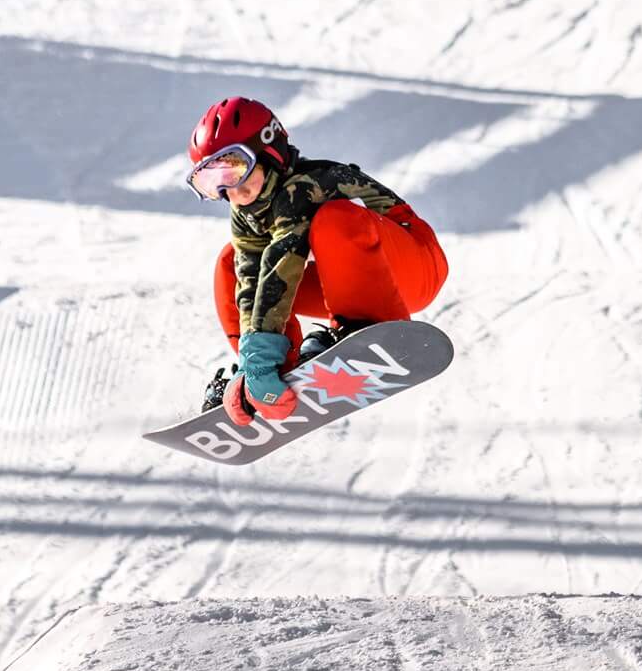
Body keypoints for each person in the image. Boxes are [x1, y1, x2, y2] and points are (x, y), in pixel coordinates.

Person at [186, 97, 449, 425]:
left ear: (269, 152)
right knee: (231, 262)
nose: (231, 190)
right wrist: (255, 359)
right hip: (349, 280)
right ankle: (277, 366)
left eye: (235, 168)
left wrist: (261, 352)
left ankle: (358, 327)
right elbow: (252, 279)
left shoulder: (305, 186)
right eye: (211, 182)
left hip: (415, 263)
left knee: (333, 219)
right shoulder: (246, 212)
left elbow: (282, 263)